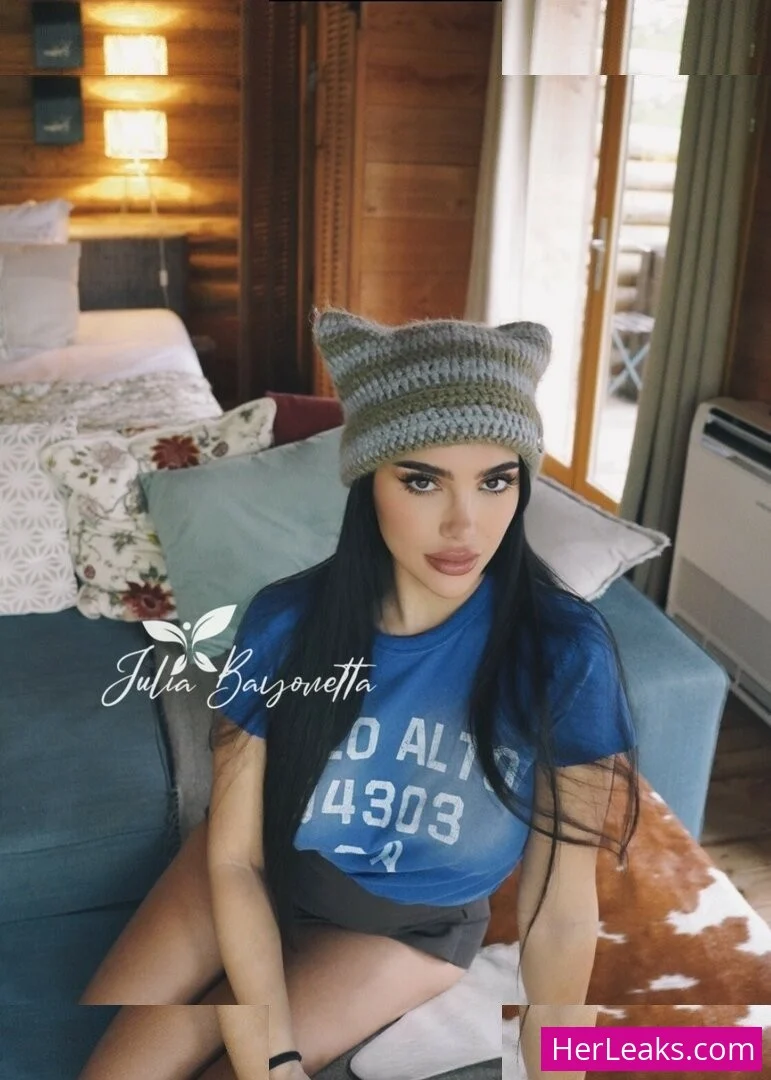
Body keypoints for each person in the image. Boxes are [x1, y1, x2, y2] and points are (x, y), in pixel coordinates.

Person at [78, 308, 640, 1080]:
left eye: (494, 480)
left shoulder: (564, 651)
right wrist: (275, 1053)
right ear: (368, 482)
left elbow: (562, 908)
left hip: (407, 930)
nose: (463, 524)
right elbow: (235, 859)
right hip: (256, 870)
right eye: (421, 480)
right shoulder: (284, 621)